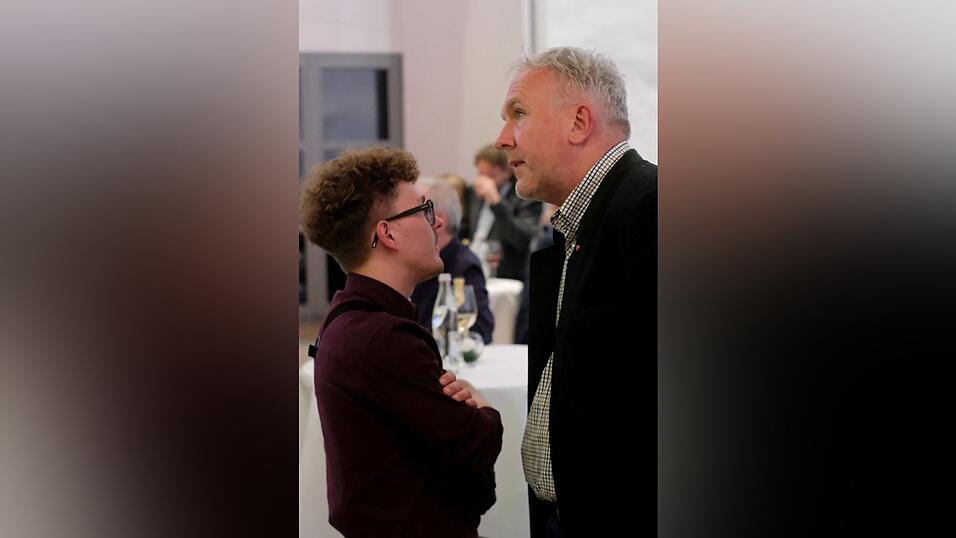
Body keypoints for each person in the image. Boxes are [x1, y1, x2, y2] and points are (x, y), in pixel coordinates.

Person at [495, 47, 658, 537]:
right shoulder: (586, 219)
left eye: (518, 114)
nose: (502, 139)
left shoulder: (649, 206)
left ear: (579, 122)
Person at [299, 147, 503, 538]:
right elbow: (477, 442)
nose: (439, 221)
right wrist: (482, 403)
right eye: (424, 210)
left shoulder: (349, 319)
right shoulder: (383, 337)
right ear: (387, 233)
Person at [411, 177, 495, 344]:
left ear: (438, 220)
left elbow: (480, 330)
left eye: (416, 213)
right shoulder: (415, 261)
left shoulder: (464, 265)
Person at [467, 144, 543, 284]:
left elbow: (523, 240)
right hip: (472, 267)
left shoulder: (525, 197)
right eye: (481, 174)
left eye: (490, 175)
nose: (484, 181)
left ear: (507, 172)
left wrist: (496, 202)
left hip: (504, 276)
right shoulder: (474, 193)